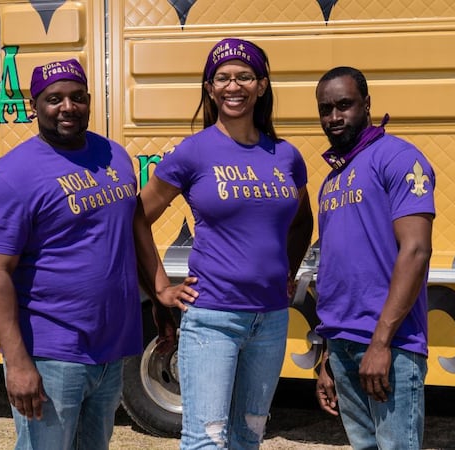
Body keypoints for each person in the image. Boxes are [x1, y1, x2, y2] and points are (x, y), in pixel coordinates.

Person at [0, 58, 168, 450]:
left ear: (89, 101)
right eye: (54, 99)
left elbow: (131, 233)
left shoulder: (114, 157)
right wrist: (17, 363)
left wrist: (159, 299)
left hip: (113, 350)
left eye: (77, 97)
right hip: (52, 353)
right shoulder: (15, 175)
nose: (67, 107)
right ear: (34, 105)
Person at [137, 38, 313, 449]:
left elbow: (303, 219)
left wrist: (288, 270)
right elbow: (136, 217)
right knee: (206, 441)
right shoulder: (193, 153)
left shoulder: (286, 155)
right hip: (212, 318)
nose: (234, 86)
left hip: (270, 319)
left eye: (245, 76)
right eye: (223, 78)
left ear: (262, 85)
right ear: (210, 89)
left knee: (248, 437)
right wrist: (160, 285)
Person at [313, 66, 435, 450]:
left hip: (390, 345)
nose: (334, 117)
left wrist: (381, 344)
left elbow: (416, 250)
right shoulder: (332, 179)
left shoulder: (397, 157)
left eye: (344, 105)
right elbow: (336, 268)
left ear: (367, 104)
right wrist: (327, 356)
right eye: (326, 109)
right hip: (343, 345)